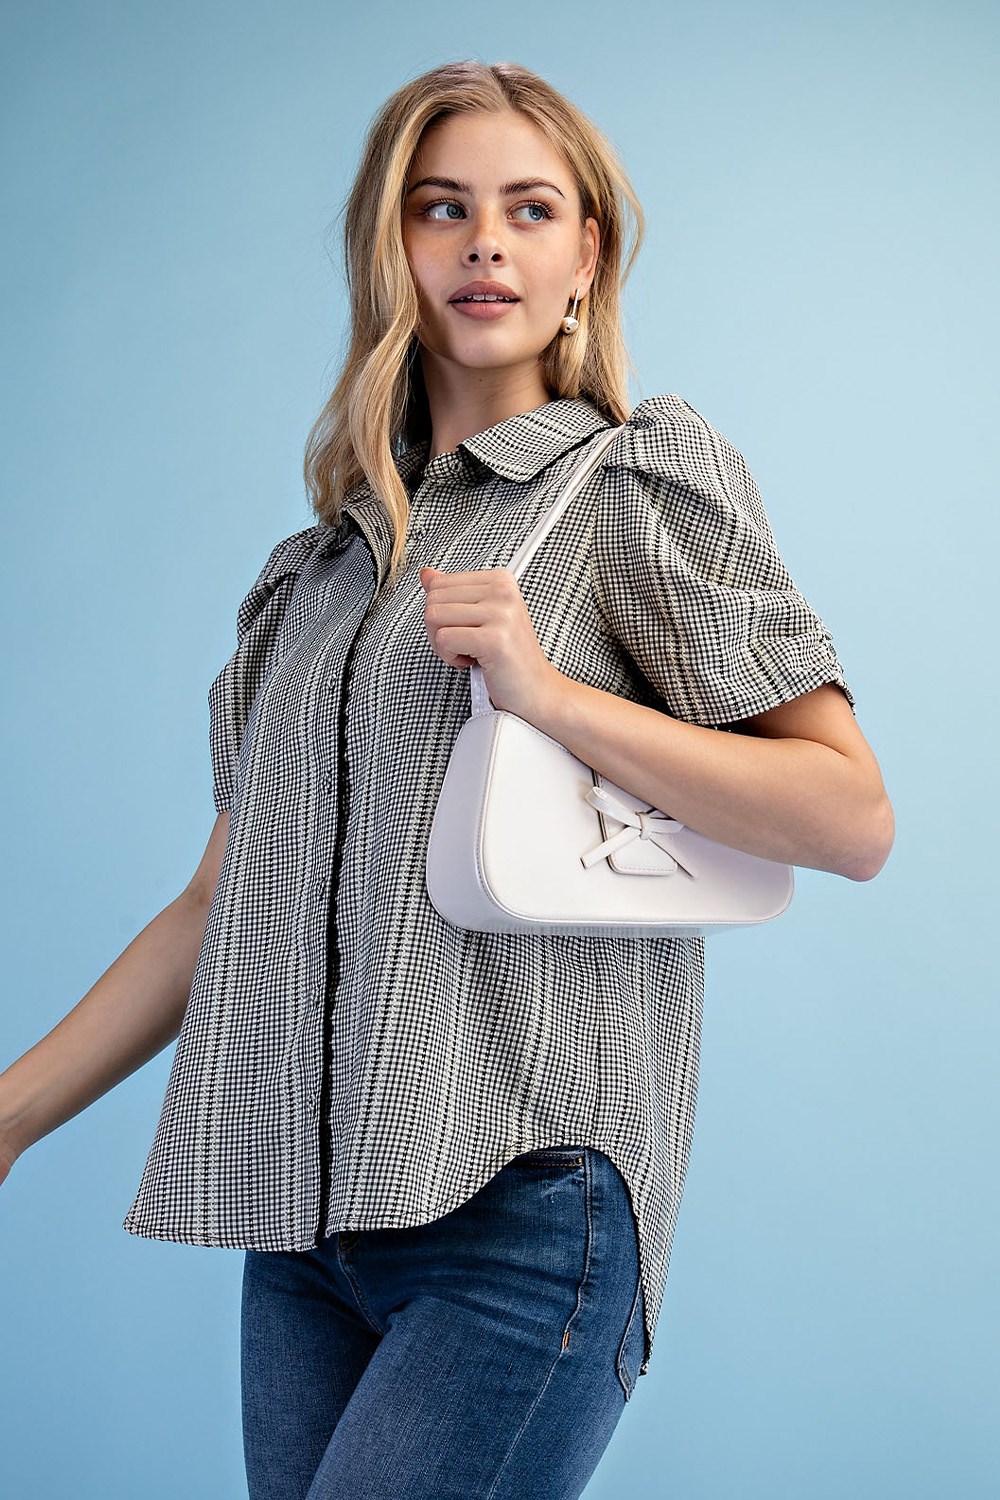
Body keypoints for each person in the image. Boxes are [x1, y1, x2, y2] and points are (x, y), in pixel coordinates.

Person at [0, 58, 894, 1500]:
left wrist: (551, 697)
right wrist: (11, 1118)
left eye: (531, 209)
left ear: (587, 253)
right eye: (444, 208)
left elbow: (851, 817)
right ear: (391, 249)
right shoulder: (314, 577)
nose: (487, 243)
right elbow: (216, 906)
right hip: (307, 1231)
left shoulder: (635, 487)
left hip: (525, 1214)